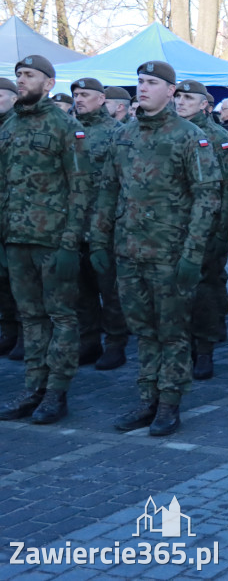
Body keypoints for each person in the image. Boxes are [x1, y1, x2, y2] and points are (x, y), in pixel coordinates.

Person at [91, 61, 222, 436]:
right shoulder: (124, 135)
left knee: (172, 332)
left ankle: (169, 402)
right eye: (139, 82)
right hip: (130, 252)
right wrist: (100, 239)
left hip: (170, 254)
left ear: (171, 91)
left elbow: (207, 197)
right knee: (143, 332)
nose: (143, 88)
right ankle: (147, 398)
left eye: (151, 83)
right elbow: (108, 190)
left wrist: (192, 254)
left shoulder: (188, 136)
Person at [0, 56, 92, 425]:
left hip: (52, 240)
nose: (21, 81)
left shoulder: (63, 125)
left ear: (49, 83)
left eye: (30, 76)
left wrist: (71, 242)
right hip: (16, 238)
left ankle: (56, 392)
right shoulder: (8, 127)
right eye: (19, 75)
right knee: (30, 317)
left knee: (61, 318)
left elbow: (80, 186)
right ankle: (33, 388)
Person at [174, 81, 228, 380]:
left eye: (189, 98)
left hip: (206, 228)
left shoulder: (216, 136)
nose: (181, 102)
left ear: (204, 104)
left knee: (204, 290)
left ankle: (204, 350)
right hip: (171, 230)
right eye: (178, 97)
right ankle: (181, 346)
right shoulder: (170, 133)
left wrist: (221, 231)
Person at [72, 77, 130, 371]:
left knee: (110, 290)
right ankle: (89, 341)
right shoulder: (69, 131)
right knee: (82, 290)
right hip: (74, 226)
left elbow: (123, 183)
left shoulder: (118, 133)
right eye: (76, 94)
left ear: (101, 100)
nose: (78, 99)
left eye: (85, 94)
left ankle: (116, 344)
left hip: (106, 227)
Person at [0, 78, 22, 360]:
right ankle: (7, 330)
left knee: (18, 279)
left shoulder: (18, 127)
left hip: (18, 215)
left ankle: (23, 333)